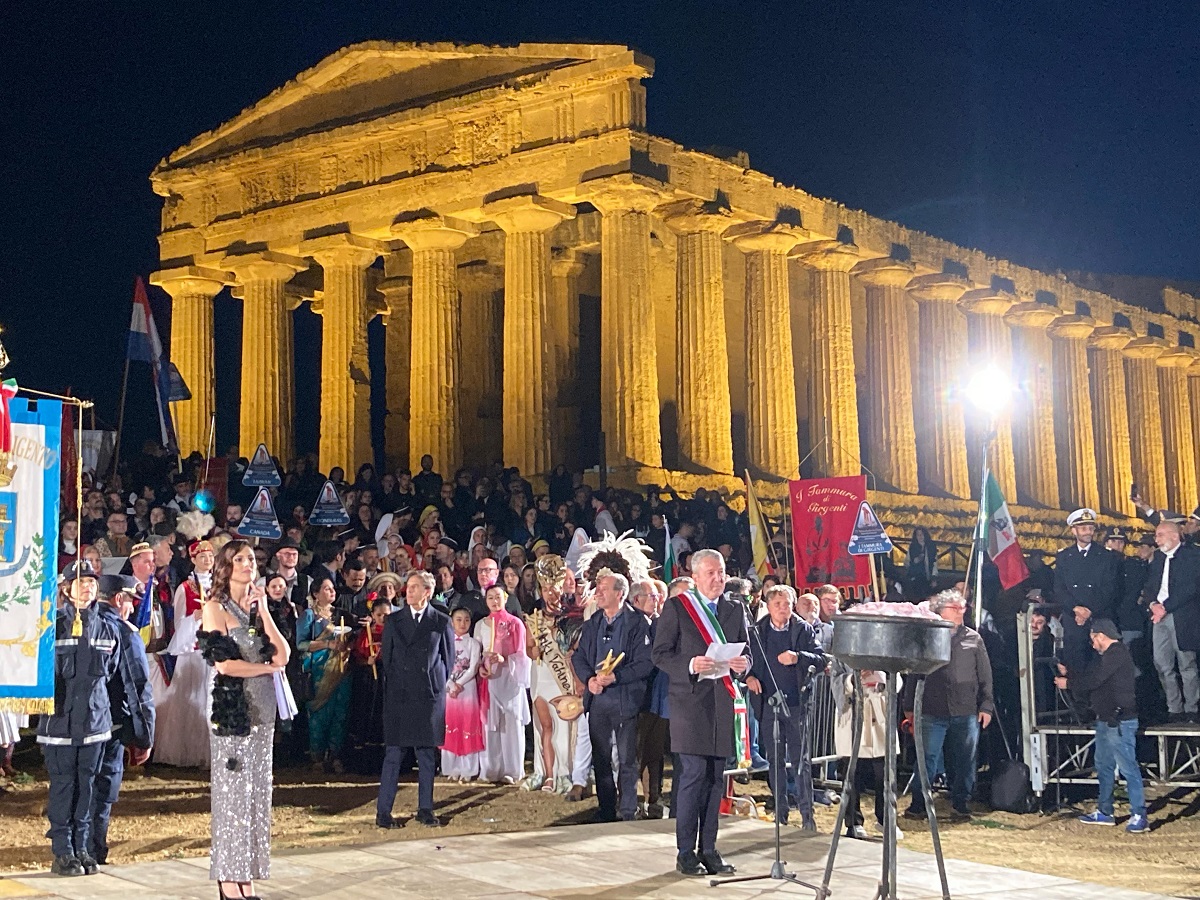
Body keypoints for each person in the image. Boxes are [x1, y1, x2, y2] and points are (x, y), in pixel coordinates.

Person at [200, 539, 290, 900]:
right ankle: (228, 877)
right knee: (231, 796)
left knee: (257, 795)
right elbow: (225, 664)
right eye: (239, 559)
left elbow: (282, 655)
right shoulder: (214, 608)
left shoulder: (255, 610)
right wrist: (263, 668)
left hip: (263, 710)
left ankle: (248, 874)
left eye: (251, 558)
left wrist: (264, 611)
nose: (246, 564)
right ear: (225, 566)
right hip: (232, 712)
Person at [652, 548, 750, 878]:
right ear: (695, 578)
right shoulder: (678, 608)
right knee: (693, 777)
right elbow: (660, 654)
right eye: (711, 573)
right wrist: (690, 664)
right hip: (690, 704)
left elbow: (746, 649)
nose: (718, 578)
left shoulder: (735, 609)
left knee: (714, 781)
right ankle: (685, 851)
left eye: (721, 572)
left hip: (722, 703)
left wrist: (743, 664)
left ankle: (709, 848)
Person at [38, 561, 123, 877]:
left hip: (95, 723)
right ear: (65, 589)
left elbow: (110, 672)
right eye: (79, 581)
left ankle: (84, 848)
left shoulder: (108, 628)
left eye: (91, 582)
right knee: (63, 787)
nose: (87, 586)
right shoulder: (52, 627)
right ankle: (62, 852)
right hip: (60, 723)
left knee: (88, 787)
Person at [903, 589, 993, 823]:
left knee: (965, 759)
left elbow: (984, 673)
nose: (960, 611)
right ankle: (918, 804)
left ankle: (961, 804)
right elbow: (914, 672)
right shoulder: (928, 637)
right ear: (940, 611)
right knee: (927, 759)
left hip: (965, 709)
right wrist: (909, 707)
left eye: (962, 607)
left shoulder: (973, 638)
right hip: (932, 709)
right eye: (954, 608)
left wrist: (986, 705)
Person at [572, 570, 655, 821]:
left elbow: (645, 663)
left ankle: (628, 809)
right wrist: (589, 680)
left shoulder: (638, 623)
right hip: (598, 701)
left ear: (620, 594)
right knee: (601, 757)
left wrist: (617, 677)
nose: (598, 592)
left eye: (604, 588)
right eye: (598, 587)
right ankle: (606, 808)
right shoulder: (593, 623)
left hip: (625, 701)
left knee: (627, 758)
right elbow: (579, 656)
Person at [376, 571, 455, 828]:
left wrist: (434, 685)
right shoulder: (394, 620)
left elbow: (448, 660)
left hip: (428, 696)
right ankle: (383, 813)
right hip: (400, 694)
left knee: (426, 754)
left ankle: (425, 809)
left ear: (427, 592)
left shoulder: (441, 621)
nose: (409, 591)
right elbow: (387, 658)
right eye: (408, 587)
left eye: (414, 587)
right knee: (394, 754)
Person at [1054, 618, 1148, 833]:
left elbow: (1095, 680)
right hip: (1106, 720)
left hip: (1119, 720)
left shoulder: (1117, 653)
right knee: (1104, 766)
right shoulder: (1109, 656)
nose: (1092, 643)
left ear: (1100, 636)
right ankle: (1105, 811)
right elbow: (1094, 678)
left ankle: (1139, 814)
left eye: (1092, 638)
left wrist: (1069, 683)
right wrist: (1072, 675)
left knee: (1128, 768)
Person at [745, 584, 826, 830]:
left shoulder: (803, 629)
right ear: (768, 606)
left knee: (801, 760)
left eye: (787, 604)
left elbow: (821, 659)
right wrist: (748, 677)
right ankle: (780, 814)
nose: (783, 609)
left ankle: (807, 816)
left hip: (797, 704)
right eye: (778, 604)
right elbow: (745, 661)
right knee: (775, 760)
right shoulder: (756, 631)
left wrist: (798, 657)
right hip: (769, 704)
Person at [90, 574, 155, 866]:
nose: (131, 607)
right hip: (110, 726)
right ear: (119, 599)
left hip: (70, 728)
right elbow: (138, 687)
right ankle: (93, 851)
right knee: (102, 792)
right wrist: (143, 737)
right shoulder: (124, 632)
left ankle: (69, 850)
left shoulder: (73, 624)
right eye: (129, 600)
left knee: (74, 788)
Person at [156, 540, 215, 768]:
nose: (207, 560)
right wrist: (195, 619)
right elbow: (179, 621)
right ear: (193, 560)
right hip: (192, 651)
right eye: (202, 557)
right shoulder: (185, 588)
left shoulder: (220, 586)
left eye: (210, 556)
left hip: (213, 651)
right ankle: (188, 751)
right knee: (191, 699)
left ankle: (209, 752)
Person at [1141, 518, 1200, 723]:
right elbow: (1149, 586)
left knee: (1186, 663)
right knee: (1161, 662)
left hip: (1181, 617)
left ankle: (1192, 707)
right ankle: (1174, 707)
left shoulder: (1192, 556)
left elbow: (1190, 587)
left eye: (1160, 535)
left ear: (1174, 536)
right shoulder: (1157, 559)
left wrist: (1166, 607)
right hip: (1159, 617)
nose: (1156, 539)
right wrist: (1152, 605)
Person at [835, 667, 903, 840]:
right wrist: (853, 678)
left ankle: (886, 819)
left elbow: (898, 680)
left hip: (879, 711)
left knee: (885, 772)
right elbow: (836, 682)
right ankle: (853, 822)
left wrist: (885, 678)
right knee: (852, 772)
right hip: (853, 712)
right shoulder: (843, 648)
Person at [474, 585, 532, 784]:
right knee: (491, 725)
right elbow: (477, 653)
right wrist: (480, 667)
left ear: (505, 598)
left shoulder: (515, 623)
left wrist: (505, 659)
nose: (494, 601)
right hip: (489, 680)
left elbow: (523, 655)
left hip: (510, 678)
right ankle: (491, 768)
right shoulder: (481, 625)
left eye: (498, 597)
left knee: (511, 725)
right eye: (490, 597)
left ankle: (513, 769)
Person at [297, 574, 352, 772]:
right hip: (319, 672)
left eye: (333, 589)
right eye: (327, 589)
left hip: (341, 670)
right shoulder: (309, 616)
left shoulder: (341, 615)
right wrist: (327, 644)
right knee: (320, 715)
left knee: (340, 714)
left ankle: (335, 755)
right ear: (315, 593)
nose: (332, 592)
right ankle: (317, 757)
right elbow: (300, 644)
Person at [1053, 508, 1119, 672]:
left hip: (1098, 617)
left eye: (1090, 528)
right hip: (1073, 619)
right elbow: (1059, 588)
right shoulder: (1064, 556)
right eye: (1083, 528)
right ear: (1073, 530)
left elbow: (1110, 588)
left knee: (1100, 665)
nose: (1088, 532)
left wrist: (1089, 610)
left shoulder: (1106, 556)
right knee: (1076, 664)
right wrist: (1076, 608)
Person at [441, 607, 485, 782]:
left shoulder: (474, 644)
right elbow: (441, 665)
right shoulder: (445, 642)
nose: (462, 623)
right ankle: (452, 767)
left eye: (466, 619)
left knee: (468, 724)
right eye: (458, 619)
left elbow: (474, 666)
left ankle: (468, 768)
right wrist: (450, 684)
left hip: (467, 689)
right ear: (452, 622)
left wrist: (459, 683)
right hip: (449, 690)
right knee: (450, 726)